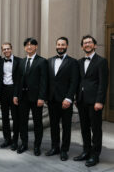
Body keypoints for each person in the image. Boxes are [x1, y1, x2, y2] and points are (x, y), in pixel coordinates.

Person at [74, 35, 108, 167]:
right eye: (85, 43)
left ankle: (95, 155)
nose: (87, 44)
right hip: (82, 101)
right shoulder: (79, 62)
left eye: (89, 42)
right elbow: (79, 82)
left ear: (94, 45)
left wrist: (100, 101)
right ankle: (86, 151)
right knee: (84, 128)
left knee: (96, 129)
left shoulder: (101, 61)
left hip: (95, 102)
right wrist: (77, 97)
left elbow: (103, 83)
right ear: (82, 46)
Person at [46, 37, 79, 161]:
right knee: (54, 126)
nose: (60, 46)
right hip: (52, 99)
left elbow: (74, 82)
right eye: (58, 44)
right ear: (56, 46)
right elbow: (47, 81)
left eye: (63, 44)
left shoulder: (73, 62)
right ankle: (55, 147)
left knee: (66, 127)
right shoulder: (49, 61)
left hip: (65, 100)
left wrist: (69, 98)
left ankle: (64, 150)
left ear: (67, 46)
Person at [16, 38, 48, 156]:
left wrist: (41, 97)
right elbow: (18, 81)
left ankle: (37, 146)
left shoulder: (42, 61)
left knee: (37, 123)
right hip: (23, 98)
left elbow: (44, 81)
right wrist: (16, 95)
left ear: (36, 47)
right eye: (27, 45)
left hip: (36, 99)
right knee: (22, 122)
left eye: (32, 45)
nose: (29, 47)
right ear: (25, 47)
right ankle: (24, 144)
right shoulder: (22, 61)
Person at [0, 42, 21, 151]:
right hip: (3, 91)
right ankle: (7, 139)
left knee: (15, 117)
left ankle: (15, 140)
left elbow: (20, 80)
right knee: (4, 117)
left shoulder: (19, 61)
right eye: (4, 49)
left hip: (14, 91)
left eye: (8, 48)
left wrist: (17, 94)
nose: (6, 51)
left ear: (11, 49)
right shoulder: (0, 62)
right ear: (2, 51)